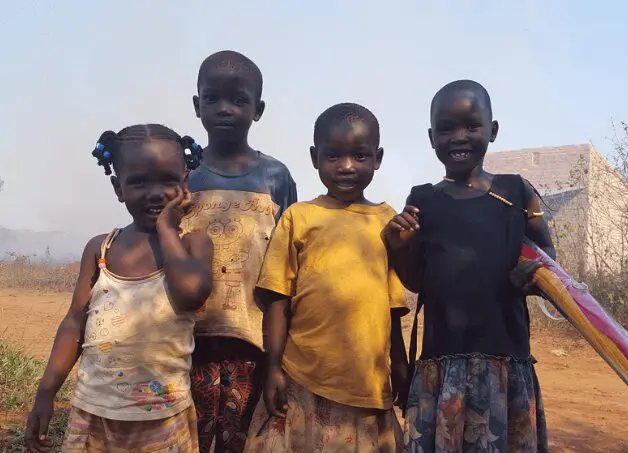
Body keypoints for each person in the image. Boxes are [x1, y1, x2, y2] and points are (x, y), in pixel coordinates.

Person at [384, 80, 556, 453]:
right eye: (446, 129)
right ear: (432, 137)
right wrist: (398, 248)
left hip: (504, 363)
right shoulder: (422, 198)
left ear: (492, 131)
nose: (459, 137)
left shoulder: (515, 191)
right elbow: (416, 282)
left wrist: (533, 277)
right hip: (442, 367)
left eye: (471, 126)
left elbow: (547, 259)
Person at [25, 124, 214, 452]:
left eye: (167, 181)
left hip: (164, 420)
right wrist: (46, 392)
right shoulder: (100, 249)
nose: (155, 193)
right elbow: (74, 323)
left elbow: (190, 294)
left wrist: (168, 229)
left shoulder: (193, 245)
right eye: (139, 182)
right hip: (94, 415)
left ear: (184, 183)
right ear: (118, 188)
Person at [244, 103, 409, 452]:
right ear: (314, 157)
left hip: (366, 384)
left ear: (377, 158)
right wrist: (273, 368)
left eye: (360, 156)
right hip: (301, 380)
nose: (346, 166)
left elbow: (391, 307)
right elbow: (278, 299)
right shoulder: (300, 217)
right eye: (333, 156)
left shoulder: (387, 221)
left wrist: (400, 363)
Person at [181, 50, 297, 452]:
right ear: (197, 105)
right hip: (183, 342)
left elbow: (287, 264)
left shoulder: (275, 177)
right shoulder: (182, 173)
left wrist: (281, 355)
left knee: (240, 439)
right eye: (212, 98)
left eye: (239, 100)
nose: (224, 109)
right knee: (187, 438)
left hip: (252, 343)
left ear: (258, 109)